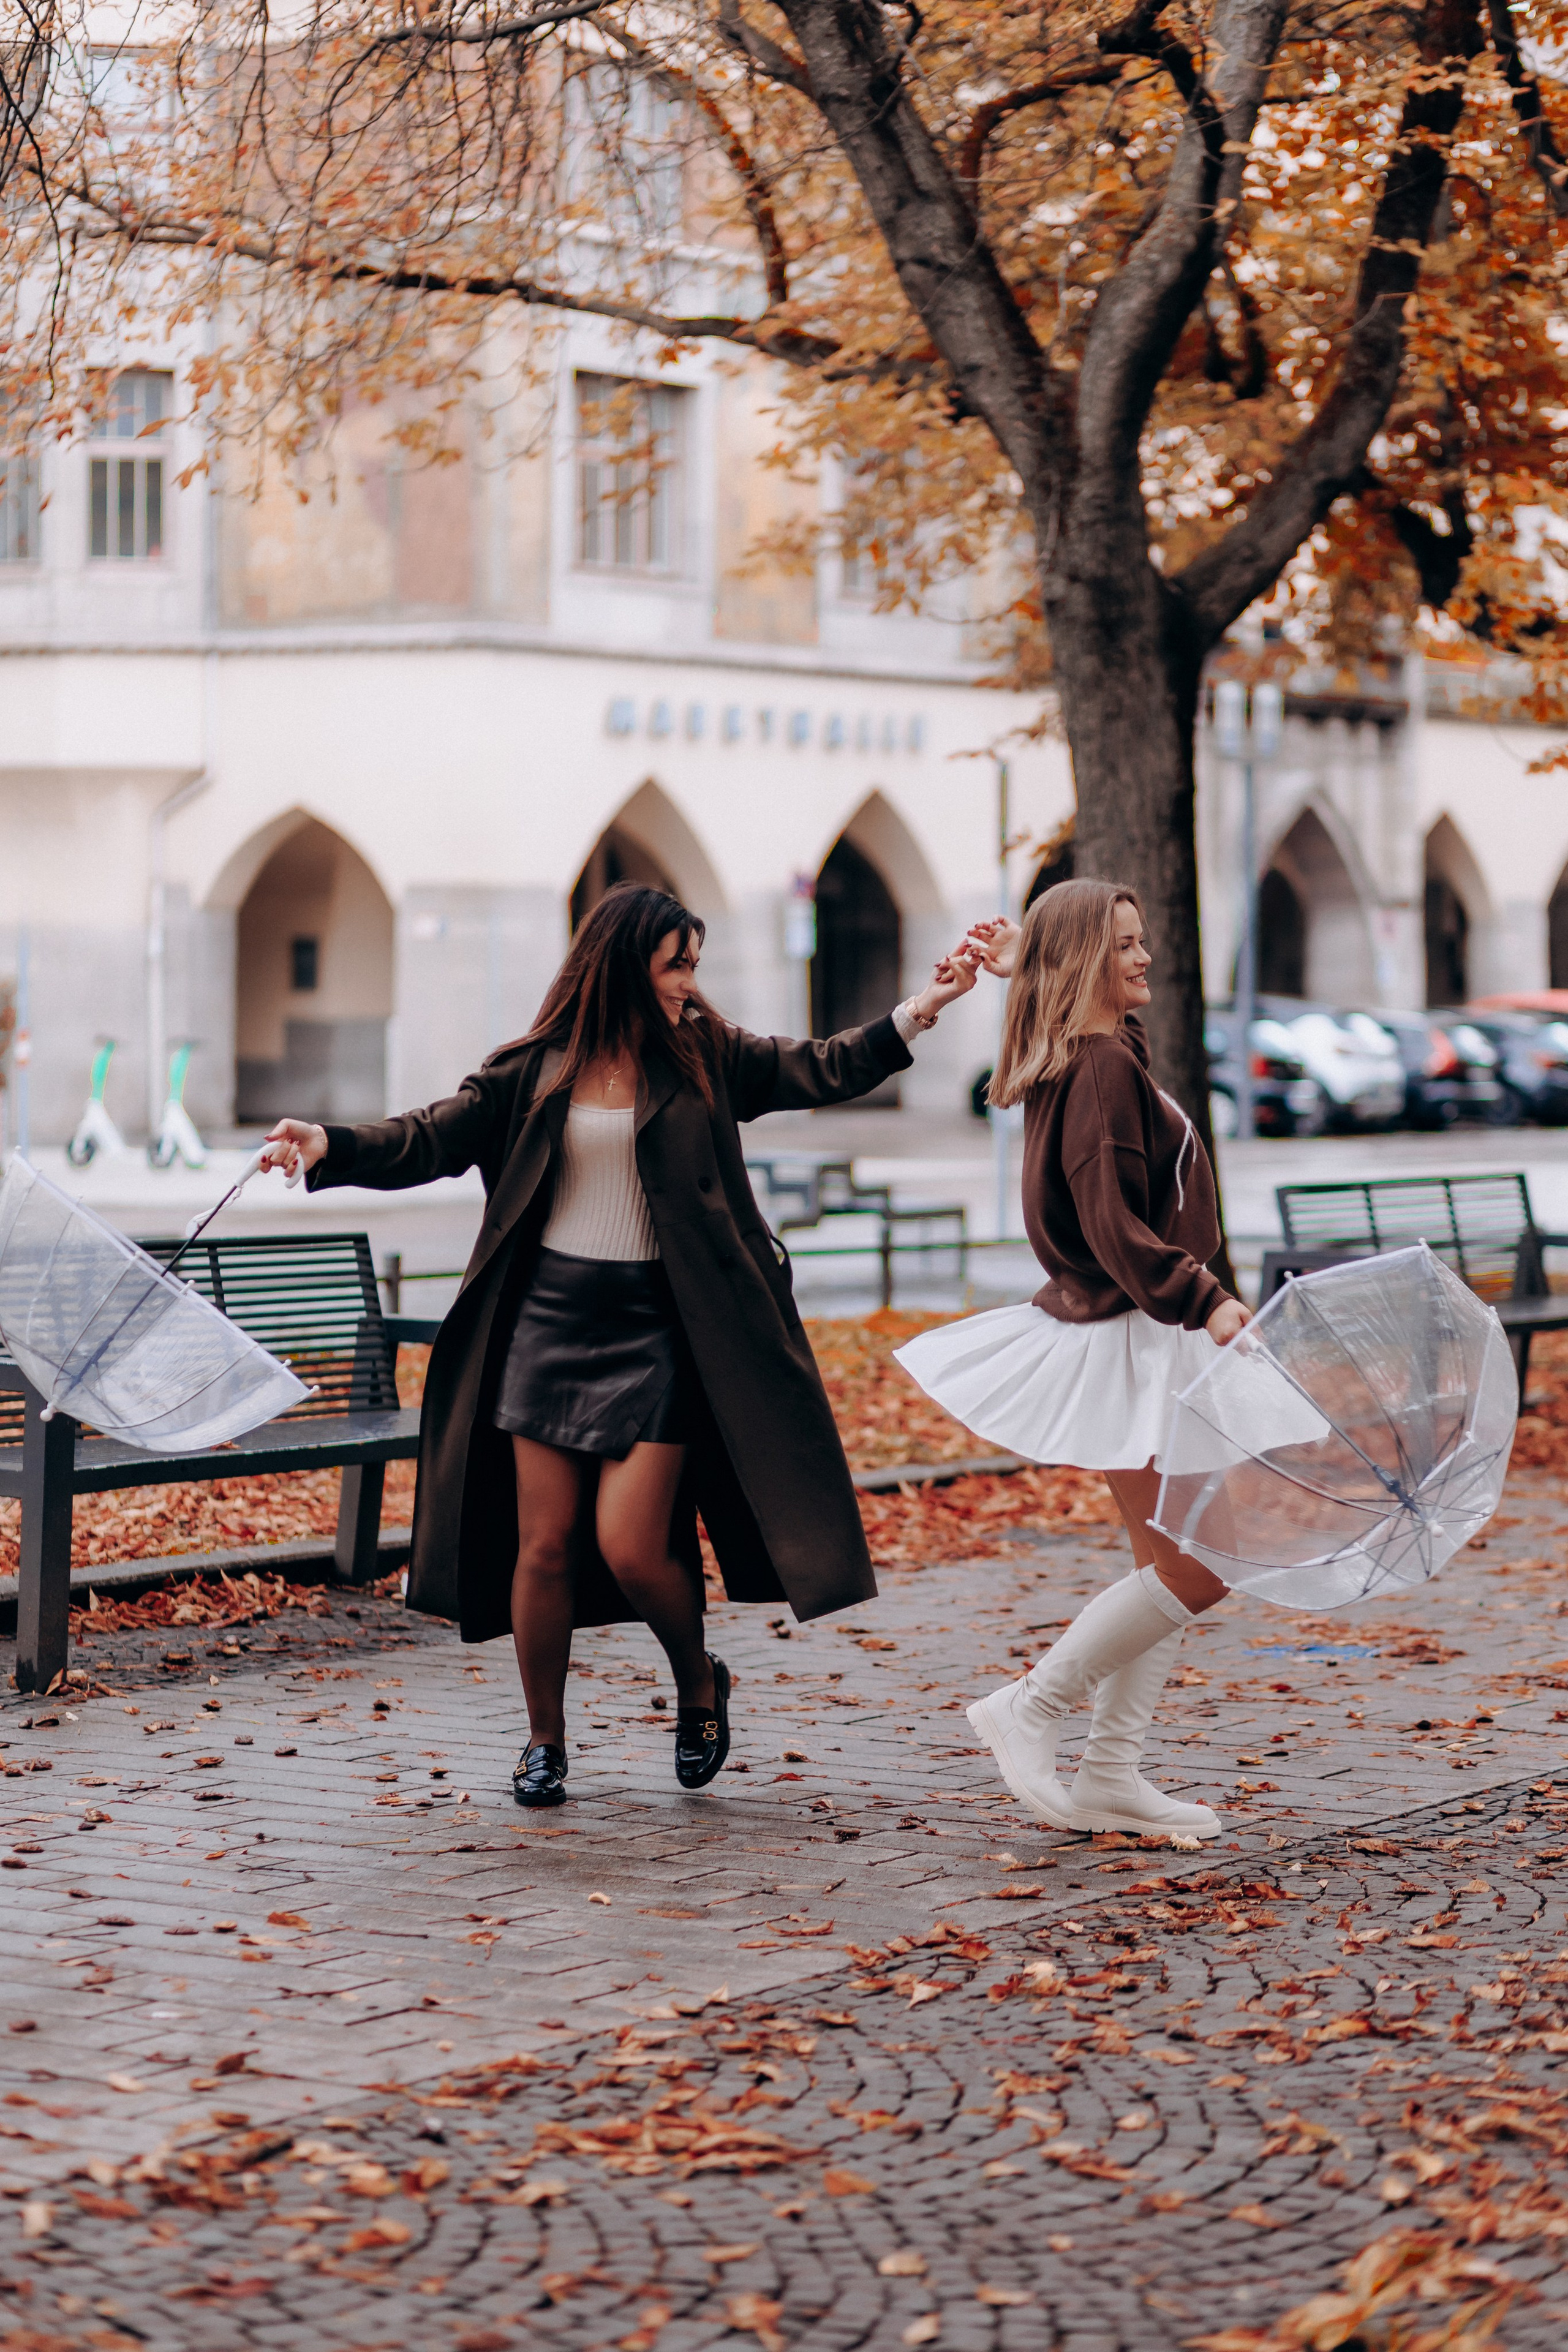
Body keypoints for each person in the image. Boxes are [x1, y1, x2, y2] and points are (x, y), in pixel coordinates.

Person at [261, 882, 979, 1807]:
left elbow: (820, 1067)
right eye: (676, 963)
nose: (690, 982)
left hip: (661, 1328)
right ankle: (545, 1741)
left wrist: (922, 1010)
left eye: (694, 964)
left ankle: (697, 1683)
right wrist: (329, 1144)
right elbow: (431, 1136)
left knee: (634, 1544)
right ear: (621, 964)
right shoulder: (533, 1066)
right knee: (546, 1547)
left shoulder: (706, 1056)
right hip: (548, 1323)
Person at [895, 878, 1250, 1841]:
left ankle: (1110, 1774)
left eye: (1142, 940)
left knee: (1165, 1564)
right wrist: (1204, 1300)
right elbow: (1111, 1220)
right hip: (1134, 1334)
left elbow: (1116, 1064)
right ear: (1089, 960)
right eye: (1125, 945)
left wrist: (1031, 968)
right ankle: (1033, 1708)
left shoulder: (1098, 1052)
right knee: (1200, 1566)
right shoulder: (1093, 1066)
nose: (1145, 958)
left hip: (1135, 1336)